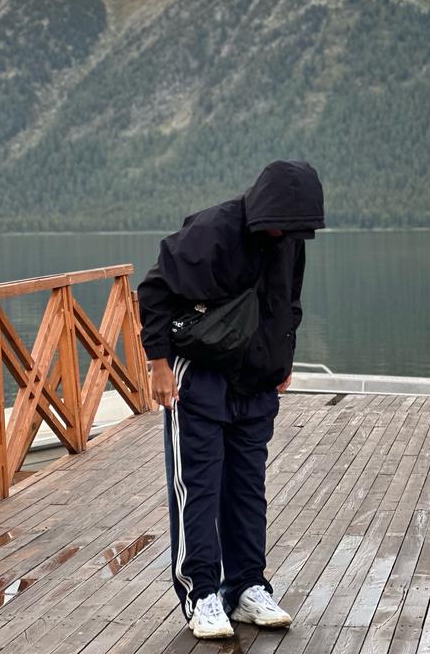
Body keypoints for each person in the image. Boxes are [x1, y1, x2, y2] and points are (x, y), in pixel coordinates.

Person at [137, 159, 324, 639]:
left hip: (256, 382)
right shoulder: (212, 232)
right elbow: (154, 291)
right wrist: (158, 364)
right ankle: (201, 594)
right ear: (265, 210)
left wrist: (283, 358)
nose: (288, 235)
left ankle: (246, 588)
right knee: (198, 487)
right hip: (201, 377)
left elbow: (289, 302)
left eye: (297, 228)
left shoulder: (290, 240)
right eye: (283, 225)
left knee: (247, 488)